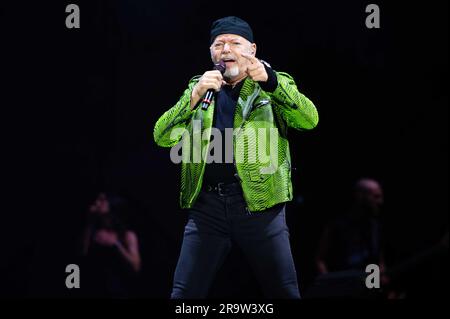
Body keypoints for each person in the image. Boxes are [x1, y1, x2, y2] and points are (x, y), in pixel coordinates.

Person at [154, 16, 319, 299]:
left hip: (261, 206)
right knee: (183, 294)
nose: (226, 49)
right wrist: (192, 97)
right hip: (207, 208)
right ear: (211, 53)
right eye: (218, 44)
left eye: (235, 43)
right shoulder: (200, 88)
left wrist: (273, 82)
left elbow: (309, 119)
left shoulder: (272, 84)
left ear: (252, 50)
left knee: (285, 291)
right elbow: (162, 136)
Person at [315, 178, 385, 275]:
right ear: (360, 196)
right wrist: (332, 285)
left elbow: (378, 260)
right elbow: (320, 259)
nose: (380, 202)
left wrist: (380, 280)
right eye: (376, 197)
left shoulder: (375, 226)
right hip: (344, 285)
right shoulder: (337, 225)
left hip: (368, 285)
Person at [81, 192, 141, 297]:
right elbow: (81, 254)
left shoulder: (127, 235)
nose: (97, 203)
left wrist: (116, 244)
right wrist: (89, 222)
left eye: (102, 200)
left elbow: (135, 266)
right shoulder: (93, 231)